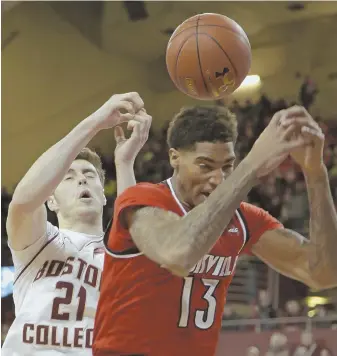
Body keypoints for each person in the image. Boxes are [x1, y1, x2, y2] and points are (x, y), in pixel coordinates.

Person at [93, 105, 337, 356]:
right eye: (205, 166)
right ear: (174, 157)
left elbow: (323, 273)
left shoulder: (242, 219)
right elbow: (178, 254)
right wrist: (253, 164)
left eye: (228, 166)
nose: (218, 179)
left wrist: (315, 172)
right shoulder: (141, 200)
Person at [2, 92, 152, 355]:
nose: (82, 180)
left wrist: (125, 163)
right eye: (69, 177)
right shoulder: (39, 241)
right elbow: (23, 202)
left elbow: (131, 239)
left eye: (89, 174)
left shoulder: (118, 254)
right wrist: (95, 122)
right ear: (51, 201)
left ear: (104, 196)